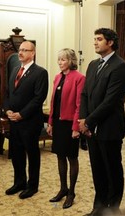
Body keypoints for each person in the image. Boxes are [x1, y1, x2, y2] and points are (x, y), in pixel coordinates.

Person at [78, 28, 125, 216]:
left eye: (99, 39)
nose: (95, 42)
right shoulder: (92, 65)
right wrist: (83, 119)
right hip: (91, 128)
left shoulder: (120, 66)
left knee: (112, 171)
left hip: (109, 128)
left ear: (110, 43)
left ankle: (113, 209)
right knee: (98, 171)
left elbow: (110, 101)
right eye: (94, 39)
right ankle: (98, 208)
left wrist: (88, 122)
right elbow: (84, 94)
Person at [4, 41, 49, 199]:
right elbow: (9, 93)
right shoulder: (15, 69)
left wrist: (21, 114)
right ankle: (19, 182)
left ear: (33, 53)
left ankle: (32, 186)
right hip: (14, 121)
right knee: (16, 154)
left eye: (25, 50)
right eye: (20, 50)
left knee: (32, 154)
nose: (20, 53)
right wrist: (7, 109)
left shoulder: (40, 72)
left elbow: (38, 98)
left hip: (29, 122)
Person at [47, 48, 85, 209]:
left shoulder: (79, 78)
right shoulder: (57, 77)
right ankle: (63, 188)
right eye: (59, 59)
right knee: (60, 156)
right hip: (58, 122)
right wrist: (50, 122)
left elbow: (79, 104)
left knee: (72, 157)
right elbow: (53, 103)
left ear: (71, 61)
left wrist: (76, 127)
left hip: (70, 124)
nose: (60, 62)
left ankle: (71, 192)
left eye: (63, 59)